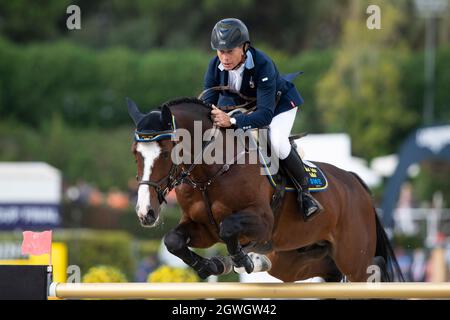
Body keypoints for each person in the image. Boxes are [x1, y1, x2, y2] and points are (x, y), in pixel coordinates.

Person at [202, 18, 322, 220]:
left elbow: (265, 116)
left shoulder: (263, 65)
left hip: (278, 107)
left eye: (230, 51)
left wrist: (232, 122)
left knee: (275, 140)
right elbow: (208, 105)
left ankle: (305, 194)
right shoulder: (215, 66)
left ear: (244, 47)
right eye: (220, 51)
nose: (224, 57)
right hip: (247, 108)